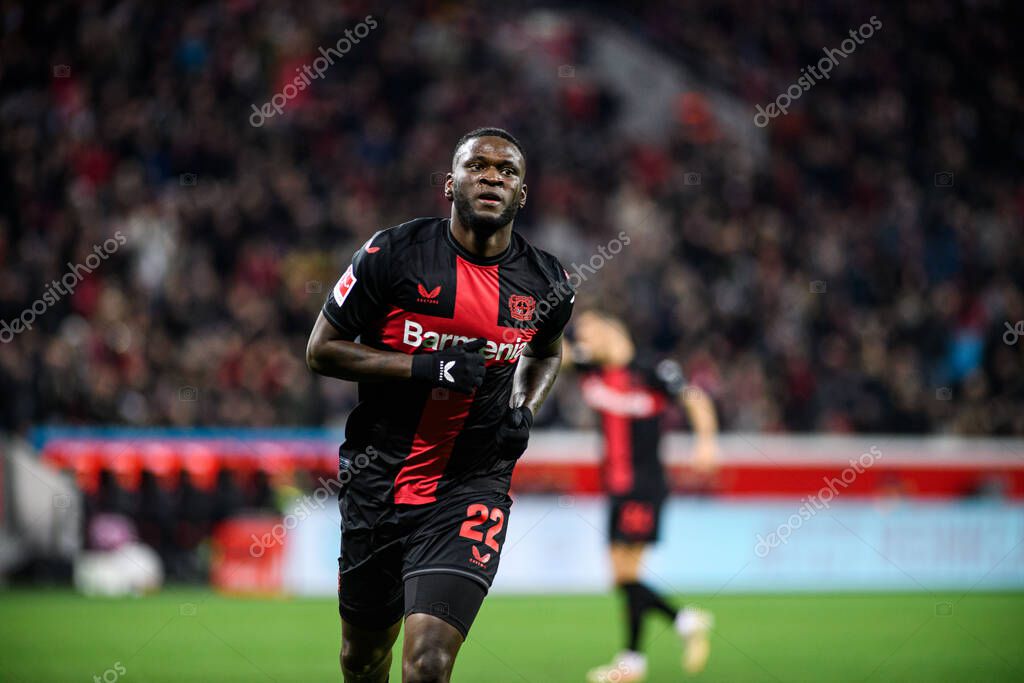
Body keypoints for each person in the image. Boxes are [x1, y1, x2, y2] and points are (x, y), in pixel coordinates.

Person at [306, 127, 573, 683]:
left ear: (522, 194)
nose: (493, 177)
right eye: (478, 166)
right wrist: (427, 366)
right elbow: (321, 351)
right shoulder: (391, 254)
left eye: (507, 171)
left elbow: (548, 353)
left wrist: (524, 407)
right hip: (378, 478)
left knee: (429, 663)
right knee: (362, 658)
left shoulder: (548, 282)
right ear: (449, 184)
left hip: (471, 486)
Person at [563, 310, 718, 682]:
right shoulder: (591, 367)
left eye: (588, 333)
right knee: (623, 578)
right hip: (615, 488)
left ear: (610, 328)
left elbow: (696, 400)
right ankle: (674, 629)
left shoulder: (653, 369)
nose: (582, 343)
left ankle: (640, 656)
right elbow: (557, 352)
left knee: (626, 575)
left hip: (644, 487)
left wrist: (707, 443)